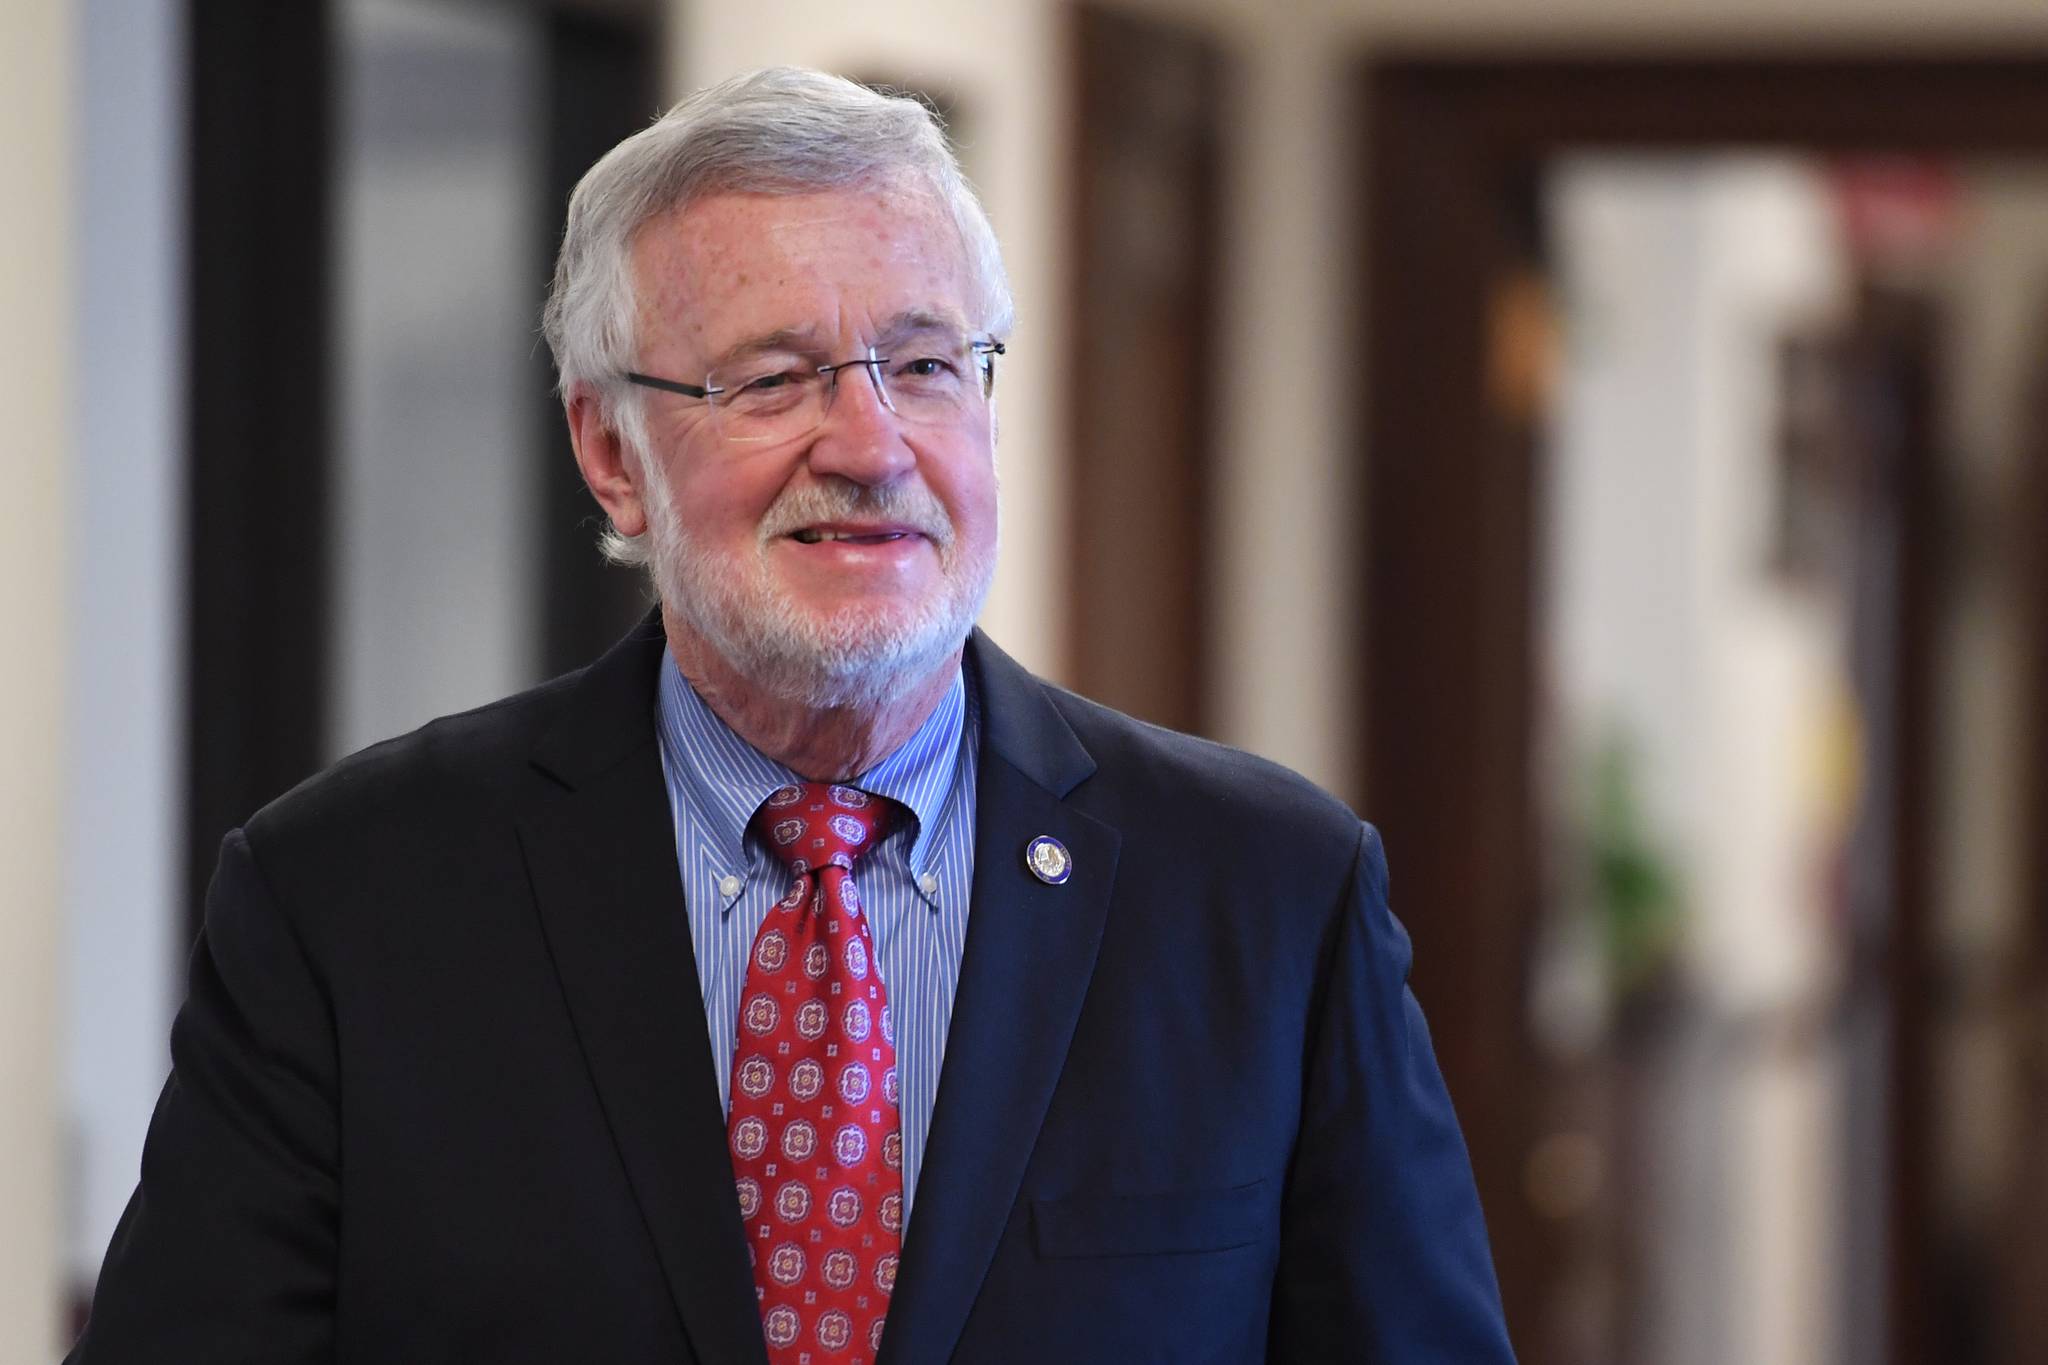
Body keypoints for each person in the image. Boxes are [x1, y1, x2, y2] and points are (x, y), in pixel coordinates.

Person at [70, 67, 1515, 1364]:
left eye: (928, 364)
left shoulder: (1268, 897)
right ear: (611, 451)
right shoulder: (348, 900)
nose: (872, 443)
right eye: (774, 378)